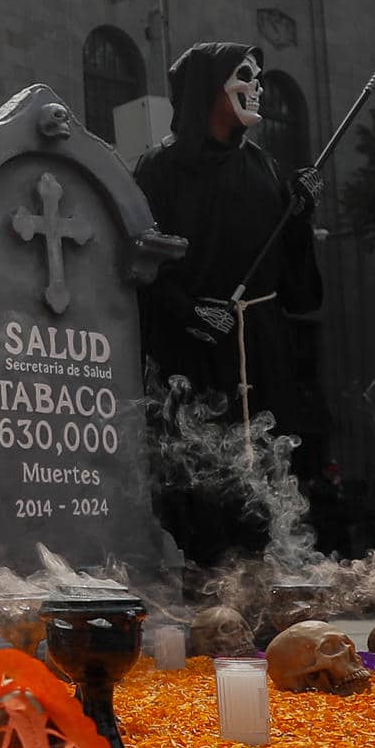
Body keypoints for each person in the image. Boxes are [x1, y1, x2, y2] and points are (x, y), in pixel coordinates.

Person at [134, 41, 323, 566]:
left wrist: (299, 217)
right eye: (245, 74)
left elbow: (296, 287)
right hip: (192, 353)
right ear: (207, 90)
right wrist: (186, 312)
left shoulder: (265, 168)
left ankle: (274, 579)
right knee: (196, 475)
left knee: (270, 470)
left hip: (260, 347)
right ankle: (203, 586)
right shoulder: (158, 170)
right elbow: (138, 265)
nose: (257, 84)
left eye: (259, 75)